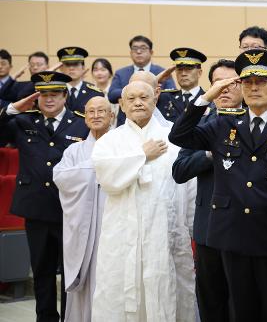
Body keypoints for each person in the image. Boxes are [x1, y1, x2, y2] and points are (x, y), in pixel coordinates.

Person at [169, 50, 267, 322]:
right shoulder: (224, 123)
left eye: (261, 81)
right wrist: (208, 96)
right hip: (232, 236)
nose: (254, 88)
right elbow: (179, 135)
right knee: (241, 311)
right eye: (247, 82)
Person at [91, 80, 195, 321]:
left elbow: (189, 187)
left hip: (166, 233)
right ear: (121, 105)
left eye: (144, 97)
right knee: (117, 292)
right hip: (122, 234)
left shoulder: (174, 136)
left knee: (169, 291)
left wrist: (190, 227)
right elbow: (106, 177)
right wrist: (142, 156)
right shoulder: (109, 140)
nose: (138, 102)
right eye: (132, 98)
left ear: (155, 100)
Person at [0, 71, 89, 321]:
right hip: (36, 207)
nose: (49, 99)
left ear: (65, 96)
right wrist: (10, 110)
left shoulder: (80, 123)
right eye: (43, 94)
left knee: (71, 271)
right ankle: (46, 317)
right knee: (42, 269)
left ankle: (70, 317)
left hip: (69, 209)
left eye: (54, 94)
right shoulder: (23, 121)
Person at [172, 59, 243, 322]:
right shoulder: (199, 126)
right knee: (212, 303)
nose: (224, 89)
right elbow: (179, 171)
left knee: (242, 302)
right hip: (208, 227)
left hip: (245, 227)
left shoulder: (256, 121)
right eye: (217, 84)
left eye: (231, 83)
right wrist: (209, 155)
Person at [53, 96, 114, 322]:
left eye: (101, 111)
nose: (96, 116)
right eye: (91, 112)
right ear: (85, 117)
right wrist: (96, 165)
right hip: (82, 227)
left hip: (112, 226)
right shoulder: (74, 151)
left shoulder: (121, 146)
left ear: (112, 115)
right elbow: (60, 177)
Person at [108, 35, 176, 125]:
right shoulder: (121, 73)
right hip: (126, 123)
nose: (139, 52)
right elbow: (112, 95)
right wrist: (145, 86)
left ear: (151, 52)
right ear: (130, 53)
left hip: (156, 122)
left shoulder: (162, 72)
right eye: (135, 48)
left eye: (143, 48)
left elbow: (171, 94)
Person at [157, 47, 206, 123]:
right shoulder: (165, 98)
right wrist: (156, 80)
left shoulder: (208, 99)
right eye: (179, 69)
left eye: (188, 69)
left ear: (199, 73)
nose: (183, 74)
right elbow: (139, 94)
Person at [57, 46, 105, 114]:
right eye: (67, 64)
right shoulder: (56, 91)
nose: (71, 68)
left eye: (75, 64)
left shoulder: (94, 93)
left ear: (83, 67)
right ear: (61, 68)